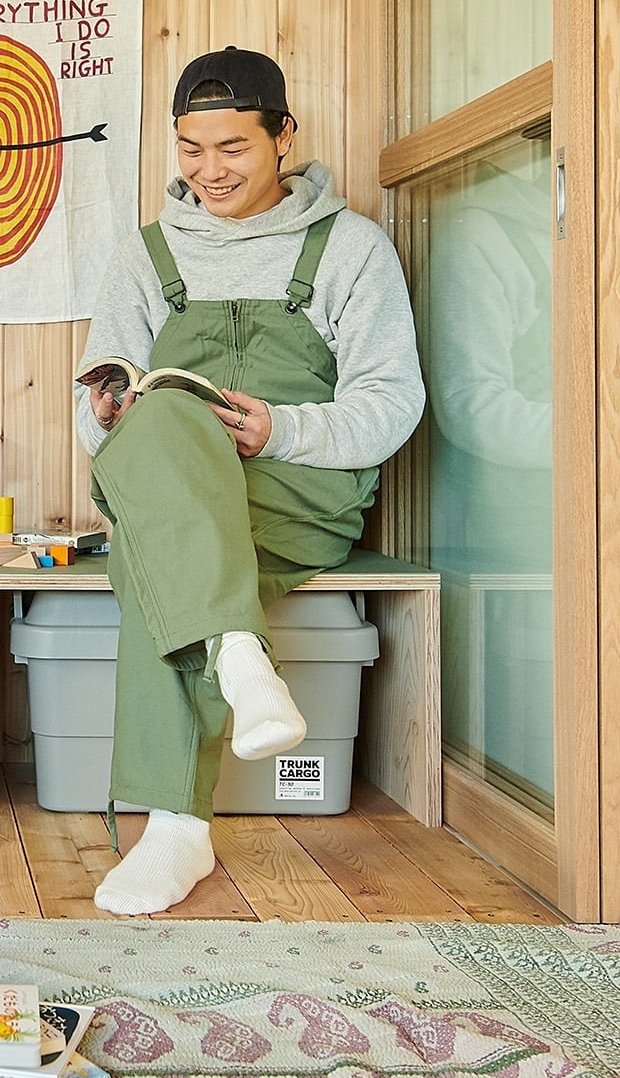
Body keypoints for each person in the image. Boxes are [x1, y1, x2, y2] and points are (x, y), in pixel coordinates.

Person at [75, 47, 424, 915]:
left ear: (283, 136)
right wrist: (109, 411)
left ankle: (175, 828)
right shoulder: (145, 255)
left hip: (298, 492)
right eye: (191, 149)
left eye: (232, 147)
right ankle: (238, 654)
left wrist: (284, 429)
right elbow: (95, 404)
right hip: (171, 479)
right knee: (159, 423)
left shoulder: (350, 249)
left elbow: (393, 404)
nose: (210, 171)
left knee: (152, 558)